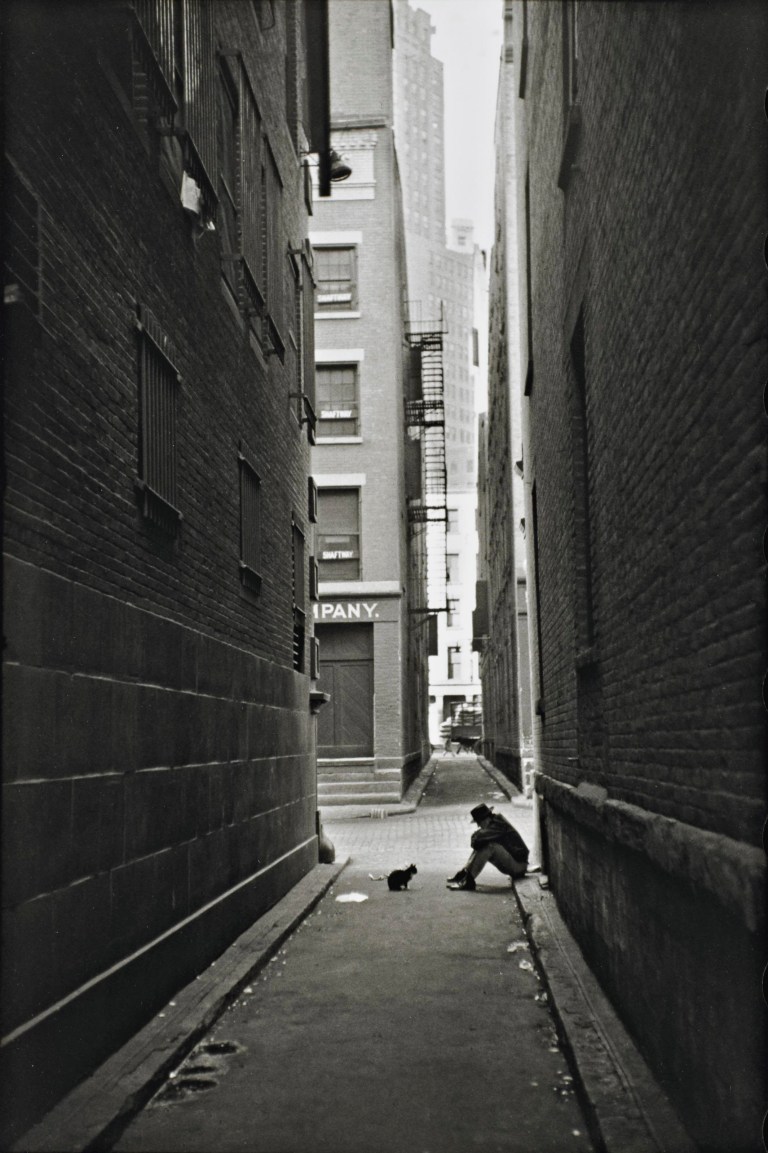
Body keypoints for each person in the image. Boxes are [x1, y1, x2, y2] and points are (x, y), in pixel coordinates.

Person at [446, 803, 529, 890]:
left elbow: (476, 839)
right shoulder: (494, 823)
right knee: (483, 843)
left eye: (479, 822)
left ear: (485, 819)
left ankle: (469, 881)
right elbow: (476, 843)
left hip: (519, 867)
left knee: (490, 846)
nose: (478, 826)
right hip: (515, 864)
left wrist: (476, 836)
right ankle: (464, 874)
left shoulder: (497, 825)